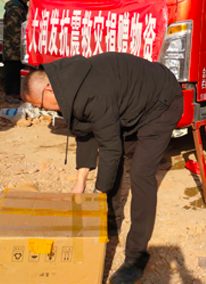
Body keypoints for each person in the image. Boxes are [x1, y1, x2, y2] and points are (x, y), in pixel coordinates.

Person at [21, 53, 184, 284]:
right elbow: (86, 133)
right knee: (113, 159)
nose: (41, 111)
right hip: (130, 104)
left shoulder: (91, 93)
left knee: (140, 173)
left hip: (161, 103)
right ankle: (110, 223)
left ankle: (136, 257)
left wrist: (98, 194)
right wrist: (81, 182)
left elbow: (109, 147)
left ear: (48, 90)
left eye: (39, 105)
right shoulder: (67, 88)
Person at [2, 0, 29, 104]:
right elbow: (14, 31)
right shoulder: (14, 9)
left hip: (18, 45)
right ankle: (9, 94)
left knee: (17, 70)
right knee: (11, 71)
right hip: (12, 47)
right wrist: (19, 48)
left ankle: (16, 93)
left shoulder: (22, 7)